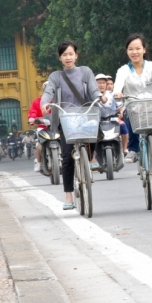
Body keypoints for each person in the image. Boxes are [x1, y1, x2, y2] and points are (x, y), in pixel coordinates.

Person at [41, 39, 104, 210]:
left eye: (71, 54)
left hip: (86, 115)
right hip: (66, 119)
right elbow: (48, 92)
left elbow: (93, 89)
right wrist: (44, 103)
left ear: (76, 55)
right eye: (64, 55)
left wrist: (100, 96)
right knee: (67, 158)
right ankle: (69, 196)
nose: (68, 57)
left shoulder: (85, 72)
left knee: (96, 130)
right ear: (60, 58)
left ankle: (91, 157)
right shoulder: (55, 76)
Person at [113, 33, 152, 199]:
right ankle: (133, 149)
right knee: (127, 110)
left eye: (138, 48)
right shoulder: (124, 70)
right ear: (127, 51)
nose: (134, 52)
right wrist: (118, 93)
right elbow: (118, 86)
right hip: (135, 110)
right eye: (131, 49)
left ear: (144, 50)